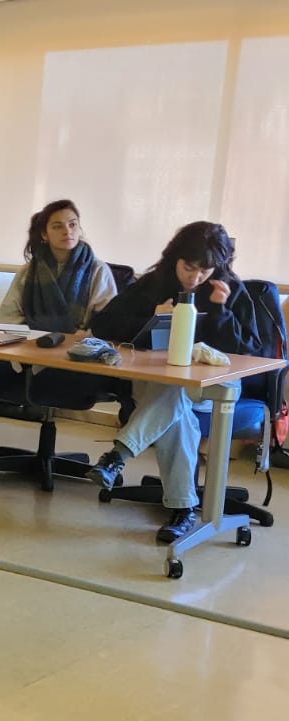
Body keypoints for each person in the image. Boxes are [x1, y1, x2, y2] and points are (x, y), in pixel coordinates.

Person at [87, 222, 269, 544]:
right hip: (159, 382)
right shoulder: (153, 284)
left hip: (218, 388)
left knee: (175, 393)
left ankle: (117, 458)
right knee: (175, 394)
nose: (195, 278)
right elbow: (101, 325)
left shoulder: (229, 289)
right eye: (188, 267)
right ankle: (183, 509)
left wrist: (221, 312)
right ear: (175, 257)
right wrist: (150, 318)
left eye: (204, 270)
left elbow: (253, 353)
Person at [0, 199, 118, 458]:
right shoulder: (30, 271)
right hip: (29, 353)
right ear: (45, 234)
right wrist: (30, 340)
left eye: (73, 225)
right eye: (58, 226)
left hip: (76, 361)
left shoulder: (96, 271)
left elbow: (108, 327)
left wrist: (71, 342)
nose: (67, 231)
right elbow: (9, 316)